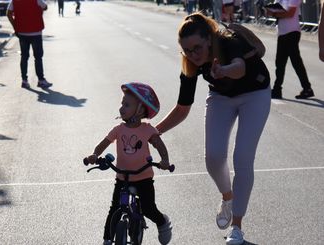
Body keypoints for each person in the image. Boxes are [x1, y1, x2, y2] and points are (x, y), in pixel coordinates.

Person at [155, 13, 271, 245]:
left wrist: (225, 70)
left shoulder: (228, 40)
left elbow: (239, 67)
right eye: (187, 50)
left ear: (209, 39)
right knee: (213, 157)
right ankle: (227, 197)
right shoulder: (190, 63)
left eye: (197, 48)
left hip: (255, 93)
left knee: (242, 158)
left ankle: (236, 228)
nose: (193, 55)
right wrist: (153, 132)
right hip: (221, 96)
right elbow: (182, 108)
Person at [85, 82, 172, 245]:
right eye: (121, 104)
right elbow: (104, 143)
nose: (121, 108)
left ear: (140, 109)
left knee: (148, 208)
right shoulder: (119, 129)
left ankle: (162, 222)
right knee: (114, 209)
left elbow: (159, 145)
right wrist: (95, 154)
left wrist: (165, 160)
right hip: (123, 177)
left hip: (144, 178)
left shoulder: (147, 129)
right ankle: (107, 239)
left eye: (126, 105)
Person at [266, 0, 314, 99]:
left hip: (291, 32)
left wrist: (274, 13)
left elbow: (290, 13)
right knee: (282, 63)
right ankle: (306, 88)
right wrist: (269, 10)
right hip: (283, 33)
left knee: (291, 62)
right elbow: (272, 11)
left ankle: (277, 89)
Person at [7, 0, 52, 89]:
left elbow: (8, 13)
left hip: (22, 33)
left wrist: (15, 26)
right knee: (38, 57)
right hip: (36, 33)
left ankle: (24, 80)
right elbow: (45, 7)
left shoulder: (14, 1)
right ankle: (41, 80)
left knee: (24, 57)